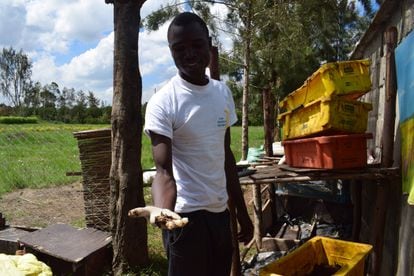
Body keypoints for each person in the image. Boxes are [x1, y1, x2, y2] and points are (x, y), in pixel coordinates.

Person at [144, 12, 254, 276]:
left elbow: (225, 156)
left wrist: (241, 212)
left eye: (196, 45)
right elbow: (163, 171)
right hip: (185, 219)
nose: (189, 54)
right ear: (171, 51)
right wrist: (163, 212)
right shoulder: (164, 102)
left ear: (209, 44)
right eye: (179, 49)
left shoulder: (222, 93)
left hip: (219, 215)